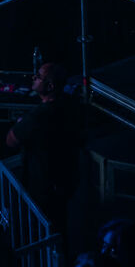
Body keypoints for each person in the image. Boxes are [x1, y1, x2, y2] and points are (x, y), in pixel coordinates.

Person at [7, 62, 88, 237]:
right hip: (65, 182)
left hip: (43, 187)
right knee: (60, 229)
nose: (33, 78)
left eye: (38, 77)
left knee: (44, 232)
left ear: (50, 86)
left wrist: (20, 123)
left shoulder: (38, 116)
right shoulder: (70, 105)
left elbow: (11, 141)